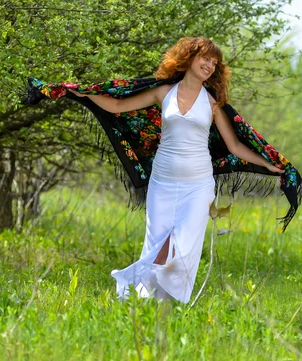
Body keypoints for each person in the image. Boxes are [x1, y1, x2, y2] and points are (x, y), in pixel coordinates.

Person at [66, 37, 284, 303]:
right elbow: (118, 105)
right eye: (205, 58)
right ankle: (148, 299)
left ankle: (144, 289)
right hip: (163, 183)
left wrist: (266, 163)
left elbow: (235, 145)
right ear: (189, 57)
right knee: (156, 241)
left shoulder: (212, 103)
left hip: (198, 186)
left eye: (214, 63)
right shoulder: (163, 92)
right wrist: (85, 94)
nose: (209, 65)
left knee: (183, 246)